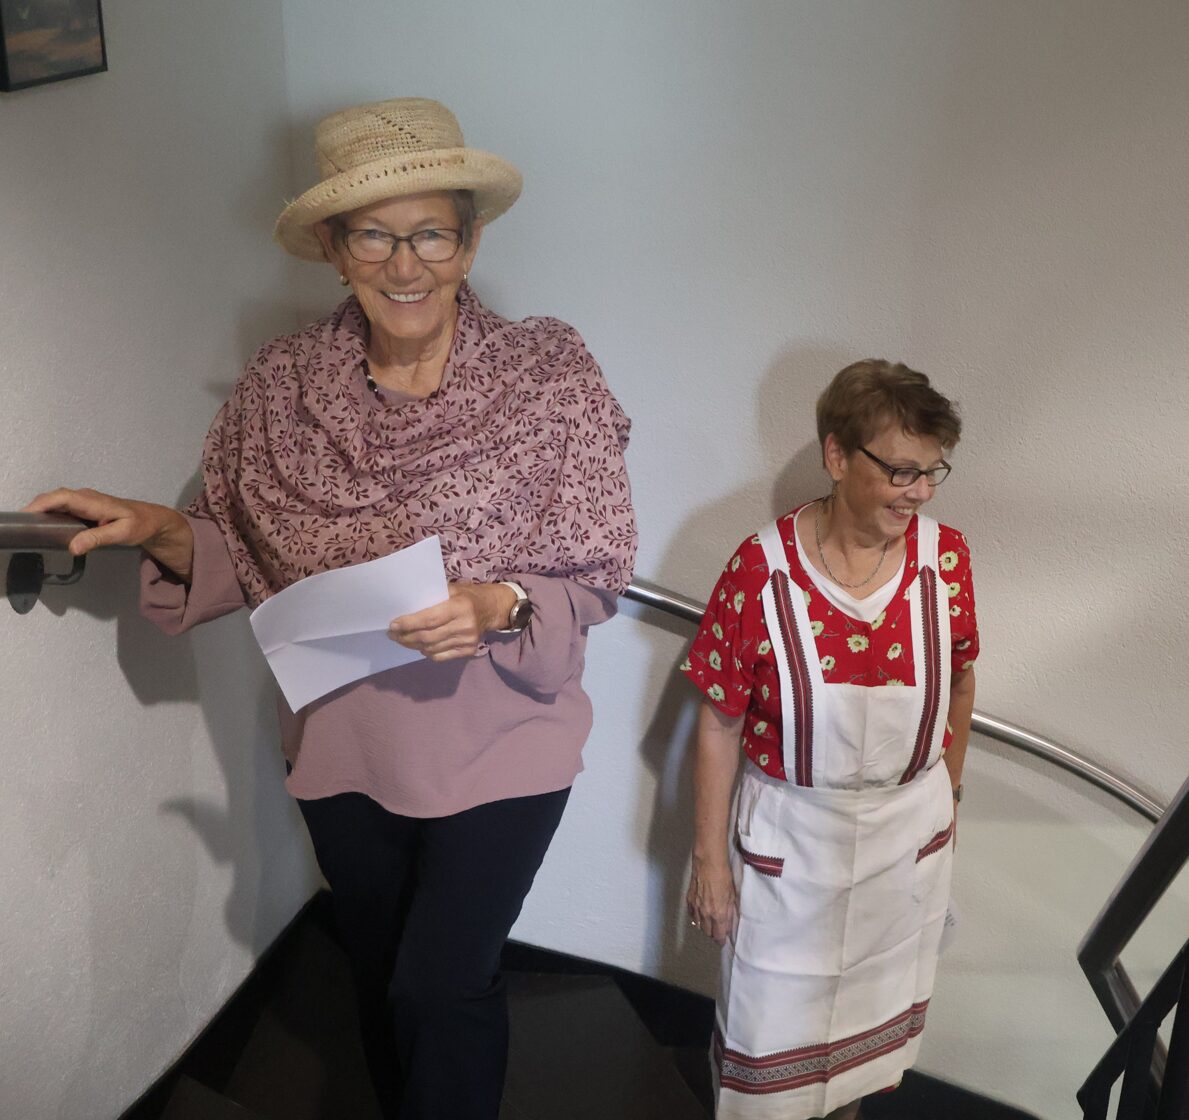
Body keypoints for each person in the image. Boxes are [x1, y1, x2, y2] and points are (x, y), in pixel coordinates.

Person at [25, 97, 636, 1120]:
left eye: (431, 233)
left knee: (442, 985)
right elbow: (238, 546)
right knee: (381, 970)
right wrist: (157, 527)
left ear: (470, 241)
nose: (406, 265)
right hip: (344, 747)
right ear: (331, 248)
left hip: (501, 743)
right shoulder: (281, 387)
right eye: (373, 236)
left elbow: (594, 569)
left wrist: (497, 601)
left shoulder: (546, 373)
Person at [681, 360, 978, 1120]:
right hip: (794, 850)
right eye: (902, 471)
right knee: (772, 1044)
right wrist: (709, 861)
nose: (921, 492)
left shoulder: (944, 560)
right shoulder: (761, 569)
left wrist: (950, 794)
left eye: (932, 471)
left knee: (861, 1054)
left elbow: (960, 677)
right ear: (837, 456)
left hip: (902, 846)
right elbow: (718, 719)